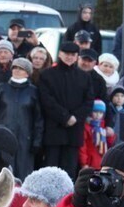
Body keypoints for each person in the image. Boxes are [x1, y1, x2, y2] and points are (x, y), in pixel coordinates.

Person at [39, 42, 94, 177]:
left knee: (69, 170)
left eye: (73, 55)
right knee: (50, 169)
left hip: (74, 131)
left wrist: (75, 117)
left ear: (77, 57)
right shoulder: (47, 74)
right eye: (67, 54)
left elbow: (89, 101)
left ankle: (67, 198)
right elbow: (46, 100)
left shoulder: (84, 76)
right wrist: (65, 116)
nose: (69, 57)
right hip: (54, 129)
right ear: (60, 54)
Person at [0, 57, 43, 180]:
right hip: (3, 137)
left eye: (21, 68)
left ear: (28, 72)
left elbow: (38, 119)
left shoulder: (33, 91)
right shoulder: (1, 88)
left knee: (23, 173)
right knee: (1, 173)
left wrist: (36, 141)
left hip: (25, 139)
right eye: (15, 67)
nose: (17, 70)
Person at [78, 99, 113, 169]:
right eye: (95, 112)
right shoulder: (86, 127)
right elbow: (82, 146)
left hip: (102, 161)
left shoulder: (103, 127)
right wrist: (84, 162)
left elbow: (109, 144)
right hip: (89, 162)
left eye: (100, 113)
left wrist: (111, 136)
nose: (98, 115)